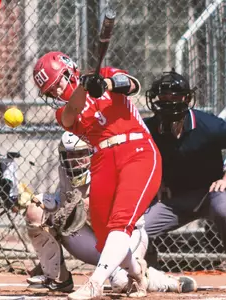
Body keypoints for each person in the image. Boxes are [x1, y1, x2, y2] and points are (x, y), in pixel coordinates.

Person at [32, 51, 162, 299]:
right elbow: (72, 112)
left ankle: (95, 284)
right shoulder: (63, 113)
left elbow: (133, 85)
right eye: (50, 91)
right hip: (102, 160)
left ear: (69, 70)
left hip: (136, 149)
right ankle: (137, 272)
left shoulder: (105, 75)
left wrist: (106, 84)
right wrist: (85, 88)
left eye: (57, 82)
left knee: (120, 222)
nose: (56, 92)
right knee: (103, 235)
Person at [23, 131, 197, 295]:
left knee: (121, 283)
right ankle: (56, 277)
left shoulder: (111, 168)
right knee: (37, 207)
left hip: (126, 235)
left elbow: (120, 218)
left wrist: (88, 207)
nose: (74, 160)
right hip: (90, 239)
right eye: (70, 154)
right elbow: (64, 210)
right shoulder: (65, 171)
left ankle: (161, 280)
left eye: (80, 154)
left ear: (93, 153)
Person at [142, 70, 226, 269]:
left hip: (211, 193)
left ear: (186, 98)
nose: (168, 100)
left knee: (224, 208)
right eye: (163, 96)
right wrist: (156, 180)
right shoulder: (149, 128)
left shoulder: (209, 125)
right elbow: (140, 157)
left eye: (174, 96)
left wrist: (225, 177)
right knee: (139, 229)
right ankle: (145, 271)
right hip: (175, 199)